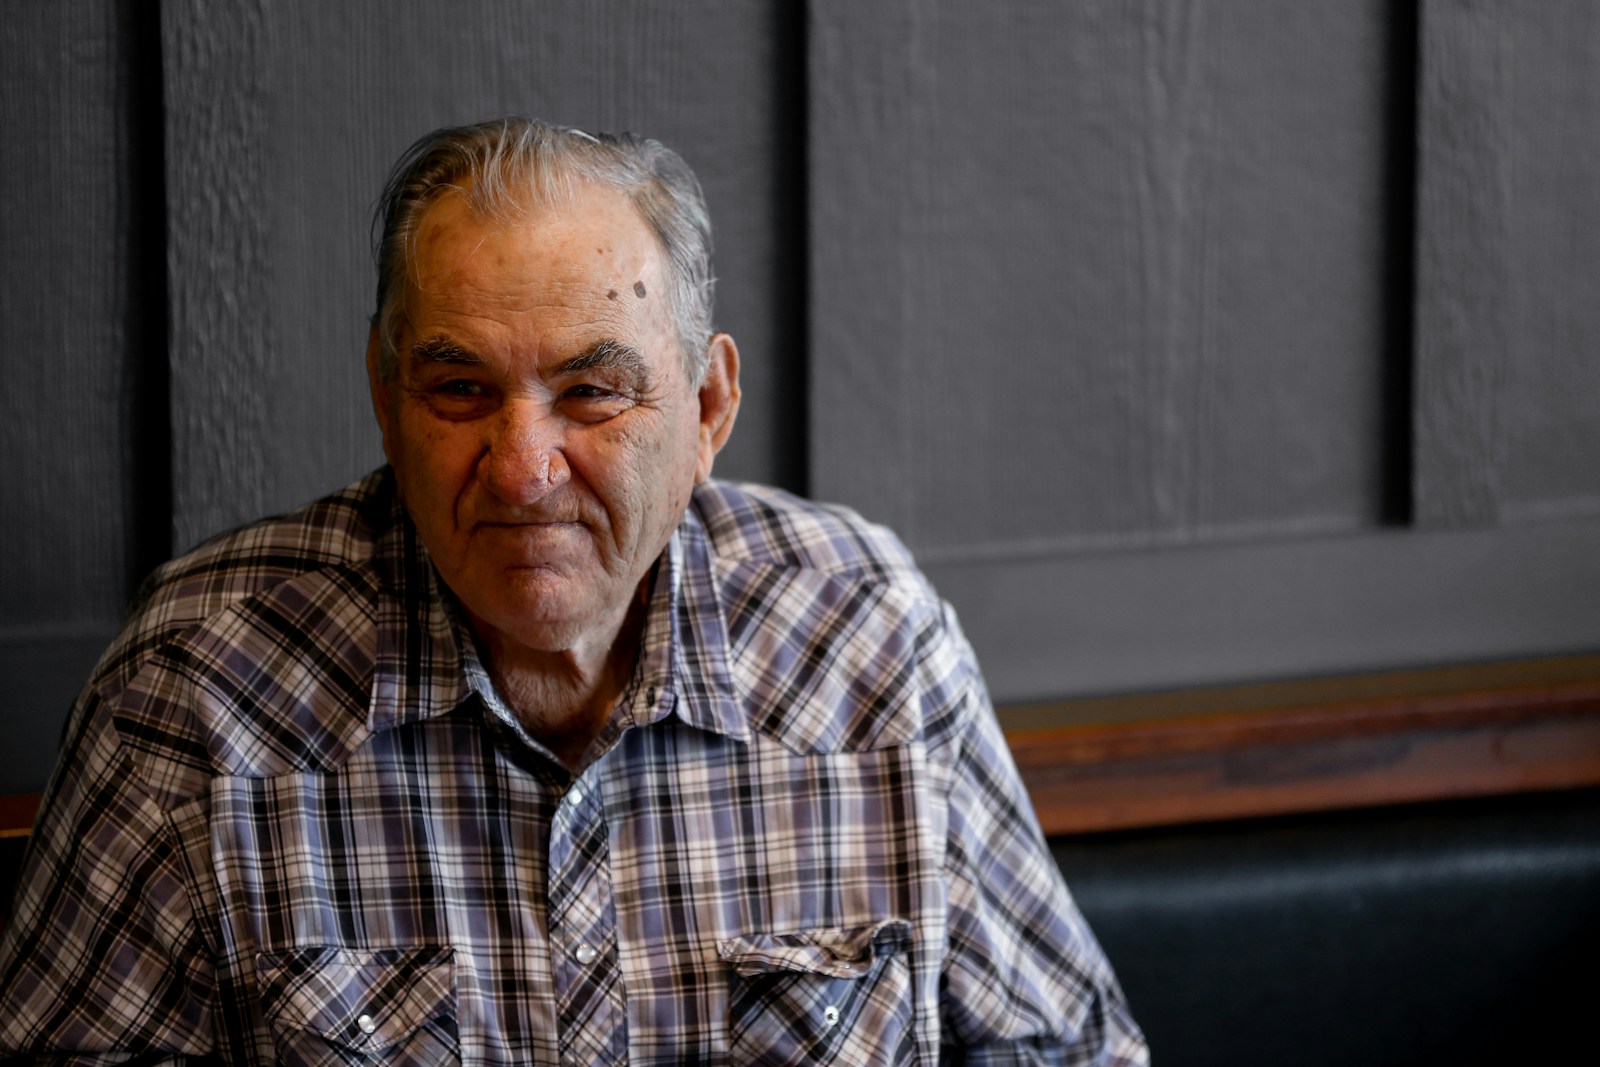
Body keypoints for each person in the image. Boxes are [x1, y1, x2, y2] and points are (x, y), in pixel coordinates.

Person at [0, 118, 1146, 1065]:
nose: (522, 469)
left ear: (706, 409)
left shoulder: (869, 639)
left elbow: (1070, 1049)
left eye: (593, 391)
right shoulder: (194, 691)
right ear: (386, 396)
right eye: (460, 389)